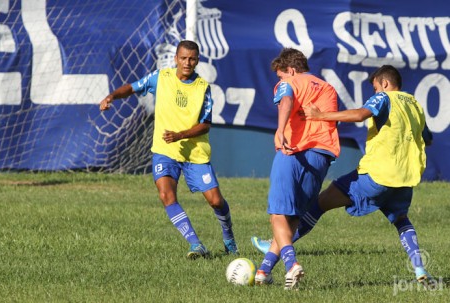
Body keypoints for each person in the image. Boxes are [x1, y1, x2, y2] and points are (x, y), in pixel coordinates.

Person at [252, 65, 434, 286]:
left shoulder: (384, 97)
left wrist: (321, 115)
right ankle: (420, 269)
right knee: (401, 220)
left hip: (376, 175)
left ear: (384, 84)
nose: (375, 93)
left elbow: (359, 115)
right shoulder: (415, 105)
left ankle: (277, 248)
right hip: (405, 179)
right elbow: (428, 138)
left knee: (319, 203)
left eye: (376, 88)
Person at [99, 40, 238, 259]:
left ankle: (228, 236)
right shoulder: (161, 78)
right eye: (183, 58)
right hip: (165, 149)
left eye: (192, 59)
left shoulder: (202, 87)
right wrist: (112, 96)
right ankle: (196, 245)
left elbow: (206, 124)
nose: (187, 62)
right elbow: (133, 87)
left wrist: (180, 135)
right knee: (166, 195)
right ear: (176, 58)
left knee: (215, 201)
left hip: (194, 151)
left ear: (197, 60)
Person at [254, 48, 340, 290]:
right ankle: (264, 269)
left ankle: (291, 264)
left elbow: (287, 100)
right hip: (322, 156)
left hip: (293, 151)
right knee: (292, 216)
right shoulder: (327, 88)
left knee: (277, 214)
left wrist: (280, 129)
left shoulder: (289, 82)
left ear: (290, 71)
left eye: (280, 76)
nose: (280, 81)